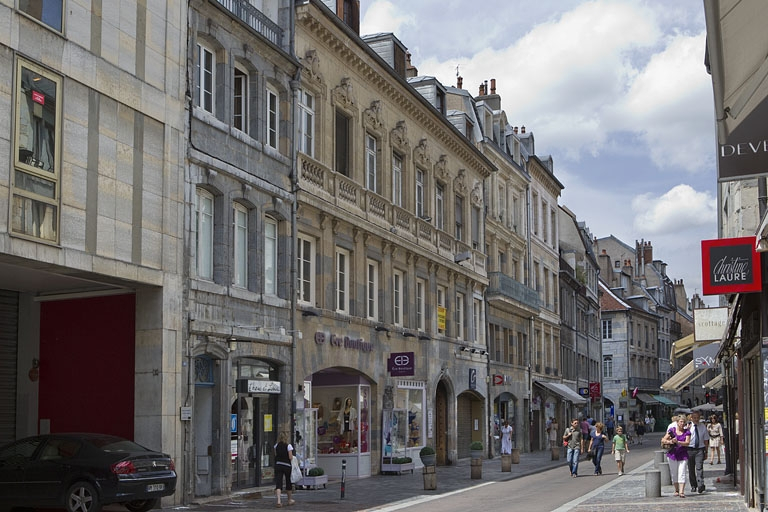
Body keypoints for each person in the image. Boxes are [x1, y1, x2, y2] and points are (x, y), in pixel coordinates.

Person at [663, 416, 691, 498]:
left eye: (683, 422)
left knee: (682, 472)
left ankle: (681, 491)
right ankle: (676, 490)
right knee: (674, 473)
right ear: (677, 422)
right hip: (673, 454)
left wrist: (678, 442)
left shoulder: (687, 432)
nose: (682, 423)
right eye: (681, 422)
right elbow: (663, 440)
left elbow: (687, 443)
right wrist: (670, 441)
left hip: (683, 454)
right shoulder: (672, 430)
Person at [687, 410, 709, 494]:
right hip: (690, 449)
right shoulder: (688, 426)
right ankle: (693, 485)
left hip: (700, 449)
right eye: (694, 418)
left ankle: (700, 485)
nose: (696, 419)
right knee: (691, 469)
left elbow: (706, 440)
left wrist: (706, 451)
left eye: (697, 418)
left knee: (699, 468)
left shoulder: (702, 426)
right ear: (691, 418)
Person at [274, 431, 295, 507]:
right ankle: (289, 500)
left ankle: (278, 501)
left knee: (278, 483)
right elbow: (290, 457)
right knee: (288, 482)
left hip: (278, 465)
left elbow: (276, 455)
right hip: (287, 465)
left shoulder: (276, 446)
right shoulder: (288, 446)